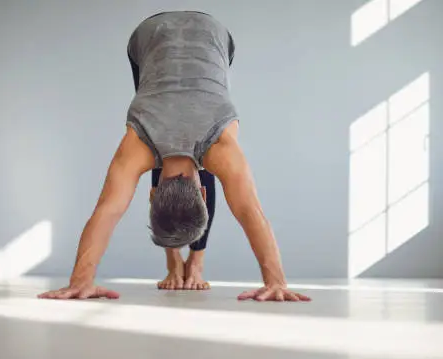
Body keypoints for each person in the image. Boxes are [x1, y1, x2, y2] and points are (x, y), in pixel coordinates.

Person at [38, 11, 310, 302]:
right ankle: (182, 261)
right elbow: (249, 211)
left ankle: (183, 261)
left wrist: (81, 281)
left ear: (203, 193)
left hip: (199, 33)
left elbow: (108, 211)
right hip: (155, 34)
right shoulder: (142, 145)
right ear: (154, 193)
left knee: (175, 142)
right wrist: (275, 281)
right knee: (168, 147)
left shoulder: (215, 148)